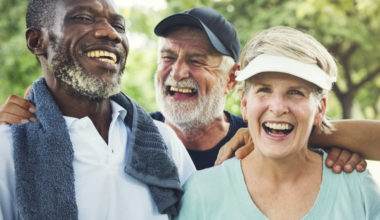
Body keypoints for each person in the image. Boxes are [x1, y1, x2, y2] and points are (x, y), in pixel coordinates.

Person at [0, 7, 367, 172]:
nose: (177, 71)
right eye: (167, 57)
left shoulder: (263, 139)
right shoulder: (134, 137)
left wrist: (317, 139)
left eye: (197, 59)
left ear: (232, 78)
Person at [0, 0, 195, 219]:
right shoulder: (7, 149)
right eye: (83, 18)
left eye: (119, 26)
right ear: (37, 41)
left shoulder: (163, 141)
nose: (112, 34)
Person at [175, 26, 380, 220]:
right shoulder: (203, 192)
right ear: (245, 103)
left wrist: (306, 133)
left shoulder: (356, 187)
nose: (278, 107)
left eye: (296, 92)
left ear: (321, 108)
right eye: (264, 89)